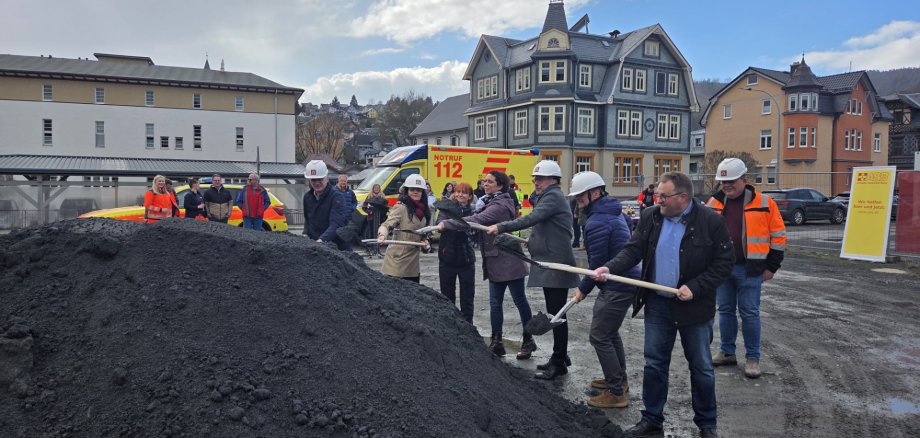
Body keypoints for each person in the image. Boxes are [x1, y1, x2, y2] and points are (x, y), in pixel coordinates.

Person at [592, 172, 734, 438]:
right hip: (658, 304)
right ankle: (652, 419)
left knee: (701, 366)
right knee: (655, 363)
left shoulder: (711, 221)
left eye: (663, 196)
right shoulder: (651, 217)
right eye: (657, 195)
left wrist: (695, 287)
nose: (658, 200)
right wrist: (608, 267)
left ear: (683, 197)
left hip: (695, 307)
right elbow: (632, 250)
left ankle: (706, 424)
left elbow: (724, 263)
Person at [487, 160, 579, 379]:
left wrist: (502, 226)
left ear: (553, 180)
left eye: (540, 178)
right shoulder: (549, 196)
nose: (536, 182)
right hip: (550, 262)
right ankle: (559, 356)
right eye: (535, 178)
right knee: (555, 313)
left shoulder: (553, 197)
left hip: (556, 265)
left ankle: (559, 361)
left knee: (557, 315)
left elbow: (532, 219)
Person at [706, 158, 786, 379]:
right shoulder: (713, 203)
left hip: (751, 269)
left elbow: (778, 237)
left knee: (749, 313)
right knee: (725, 311)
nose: (727, 186)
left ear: (744, 179)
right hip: (722, 268)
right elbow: (703, 234)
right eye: (723, 182)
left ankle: (752, 358)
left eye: (731, 181)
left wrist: (772, 267)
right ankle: (727, 352)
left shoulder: (764, 203)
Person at [438, 170, 532, 358]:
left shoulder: (500, 204)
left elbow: (478, 220)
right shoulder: (487, 202)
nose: (485, 184)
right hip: (494, 258)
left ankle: (528, 340)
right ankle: (497, 342)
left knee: (519, 300)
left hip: (509, 258)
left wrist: (448, 223)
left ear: (500, 185)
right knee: (495, 303)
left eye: (489, 182)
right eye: (484, 181)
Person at [568, 171, 640, 409]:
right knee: (610, 332)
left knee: (599, 335)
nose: (577, 202)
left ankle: (616, 392)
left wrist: (583, 289)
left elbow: (596, 265)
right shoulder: (614, 211)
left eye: (580, 197)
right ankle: (619, 379)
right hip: (623, 280)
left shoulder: (597, 222)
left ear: (595, 193)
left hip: (618, 283)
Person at [435, 182, 476, 323]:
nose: (460, 194)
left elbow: (475, 230)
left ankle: (468, 328)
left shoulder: (474, 212)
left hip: (467, 260)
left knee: (467, 298)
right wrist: (442, 225)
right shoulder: (446, 209)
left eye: (464, 192)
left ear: (470, 196)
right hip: (447, 258)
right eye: (458, 191)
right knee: (446, 298)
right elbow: (439, 222)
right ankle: (450, 327)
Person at [378, 174, 431, 282]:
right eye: (412, 189)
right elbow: (386, 225)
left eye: (419, 190)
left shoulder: (425, 211)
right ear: (407, 191)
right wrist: (382, 235)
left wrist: (425, 242)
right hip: (397, 261)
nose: (415, 192)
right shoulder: (401, 207)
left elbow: (423, 234)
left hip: (413, 263)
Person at [303, 160, 351, 250]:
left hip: (337, 246)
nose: (317, 183)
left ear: (327, 179)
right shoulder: (307, 197)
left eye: (320, 179)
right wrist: (305, 235)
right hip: (316, 246)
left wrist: (322, 240)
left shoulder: (337, 197)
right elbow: (308, 221)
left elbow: (336, 224)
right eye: (313, 180)